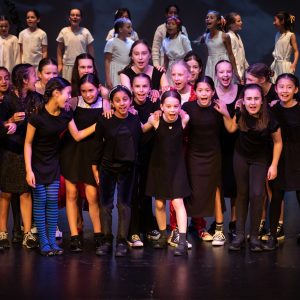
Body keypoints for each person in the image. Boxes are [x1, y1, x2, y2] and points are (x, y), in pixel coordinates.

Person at [24, 76, 97, 256]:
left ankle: (52, 243)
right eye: (67, 93)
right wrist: (29, 170)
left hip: (54, 163)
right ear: (56, 93)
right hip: (38, 165)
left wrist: (100, 123)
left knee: (52, 203)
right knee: (41, 203)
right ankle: (44, 243)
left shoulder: (65, 114)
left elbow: (78, 135)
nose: (69, 97)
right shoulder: (38, 116)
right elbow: (28, 144)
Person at [215, 83, 282, 251]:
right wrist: (224, 113)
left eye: (256, 99)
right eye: (249, 99)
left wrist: (274, 165)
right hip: (241, 157)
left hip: (260, 159)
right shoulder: (241, 114)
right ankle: (239, 236)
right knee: (242, 194)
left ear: (262, 100)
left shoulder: (270, 118)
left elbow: (278, 142)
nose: (252, 102)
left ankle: (254, 237)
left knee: (258, 194)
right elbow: (231, 128)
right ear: (243, 101)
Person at [91, 85, 149, 257]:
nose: (122, 103)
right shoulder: (104, 119)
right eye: (117, 100)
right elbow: (97, 144)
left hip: (128, 168)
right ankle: (107, 240)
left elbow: (137, 143)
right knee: (106, 204)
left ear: (131, 101)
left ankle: (122, 241)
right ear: (112, 103)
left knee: (124, 204)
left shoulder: (134, 119)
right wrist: (95, 168)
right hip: (107, 167)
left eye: (125, 99)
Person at [0, 63, 43, 249]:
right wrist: (9, 121)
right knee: (7, 194)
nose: (37, 79)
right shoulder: (8, 100)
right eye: (34, 76)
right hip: (10, 151)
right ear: (25, 80)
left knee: (26, 192)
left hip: (26, 152)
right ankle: (2, 232)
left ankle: (27, 233)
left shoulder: (35, 99)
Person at [60, 73, 103, 254]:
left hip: (92, 154)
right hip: (73, 152)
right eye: (84, 91)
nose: (88, 94)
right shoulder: (73, 104)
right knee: (71, 193)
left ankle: (99, 234)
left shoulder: (105, 104)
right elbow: (76, 136)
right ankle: (75, 235)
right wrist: (98, 124)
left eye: (91, 90)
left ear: (98, 89)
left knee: (92, 196)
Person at [182, 76, 226, 247]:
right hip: (194, 156)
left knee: (215, 188)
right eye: (200, 90)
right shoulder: (188, 107)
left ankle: (220, 230)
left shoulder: (217, 107)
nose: (204, 93)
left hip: (213, 155)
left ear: (213, 92)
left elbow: (230, 128)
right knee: (193, 190)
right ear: (195, 92)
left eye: (207, 90)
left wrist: (226, 112)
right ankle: (187, 230)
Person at [146, 89, 190, 256]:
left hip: (176, 167)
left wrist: (182, 112)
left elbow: (185, 115)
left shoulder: (184, 119)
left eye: (176, 106)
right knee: (159, 204)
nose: (172, 110)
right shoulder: (156, 121)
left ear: (180, 107)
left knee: (178, 202)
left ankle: (182, 241)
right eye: (168, 106)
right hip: (159, 167)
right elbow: (142, 130)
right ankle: (163, 235)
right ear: (162, 107)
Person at [264, 73, 300, 250]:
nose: (284, 91)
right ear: (276, 89)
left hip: (298, 157)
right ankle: (272, 234)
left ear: (296, 90)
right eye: (281, 87)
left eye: (289, 87)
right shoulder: (272, 109)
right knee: (276, 197)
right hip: (278, 157)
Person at [127, 73, 161, 247]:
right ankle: (132, 230)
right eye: (137, 86)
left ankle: (148, 226)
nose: (141, 90)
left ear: (150, 89)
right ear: (132, 88)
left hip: (149, 153)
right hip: (131, 154)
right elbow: (138, 130)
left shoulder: (155, 103)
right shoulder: (128, 104)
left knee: (146, 192)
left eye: (145, 86)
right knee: (132, 192)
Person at [212, 60, 244, 240]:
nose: (225, 75)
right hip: (217, 145)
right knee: (218, 184)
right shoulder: (212, 93)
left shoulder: (241, 92)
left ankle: (234, 222)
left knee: (236, 185)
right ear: (216, 74)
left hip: (237, 144)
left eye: (228, 71)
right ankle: (218, 222)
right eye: (221, 72)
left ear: (232, 72)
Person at [199, 10, 240, 84]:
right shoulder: (206, 37)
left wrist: (236, 71)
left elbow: (231, 54)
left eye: (211, 18)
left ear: (218, 21)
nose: (208, 19)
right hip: (211, 64)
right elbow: (206, 53)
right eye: (207, 17)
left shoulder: (224, 36)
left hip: (222, 61)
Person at [56, 8, 94, 82]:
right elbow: (59, 49)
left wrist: (92, 64)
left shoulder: (85, 32)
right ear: (69, 18)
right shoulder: (64, 31)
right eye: (72, 15)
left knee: (81, 85)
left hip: (82, 65)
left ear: (81, 18)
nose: (75, 17)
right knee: (68, 86)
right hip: (67, 65)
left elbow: (91, 50)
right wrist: (60, 64)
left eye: (77, 15)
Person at [104, 18, 134, 90]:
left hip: (127, 71)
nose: (131, 29)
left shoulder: (132, 42)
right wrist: (108, 79)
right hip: (115, 72)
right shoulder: (112, 42)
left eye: (131, 27)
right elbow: (107, 61)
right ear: (120, 29)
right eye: (128, 27)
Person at [270, 11, 299, 83]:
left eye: (275, 20)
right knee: (274, 85)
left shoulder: (290, 35)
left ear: (282, 21)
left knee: (285, 84)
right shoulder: (277, 34)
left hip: (285, 65)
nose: (273, 23)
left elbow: (296, 51)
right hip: (276, 65)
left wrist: (294, 64)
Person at [161, 16, 192, 84]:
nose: (170, 26)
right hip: (170, 68)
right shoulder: (165, 41)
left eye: (173, 24)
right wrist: (164, 71)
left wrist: (189, 70)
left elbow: (190, 55)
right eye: (168, 24)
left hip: (182, 66)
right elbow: (166, 59)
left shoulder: (182, 38)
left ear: (178, 27)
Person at [224, 12, 248, 82]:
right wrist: (238, 74)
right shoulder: (230, 36)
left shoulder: (238, 36)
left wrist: (248, 69)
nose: (241, 22)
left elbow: (242, 55)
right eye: (238, 21)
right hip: (236, 73)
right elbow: (232, 57)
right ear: (231, 24)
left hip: (242, 71)